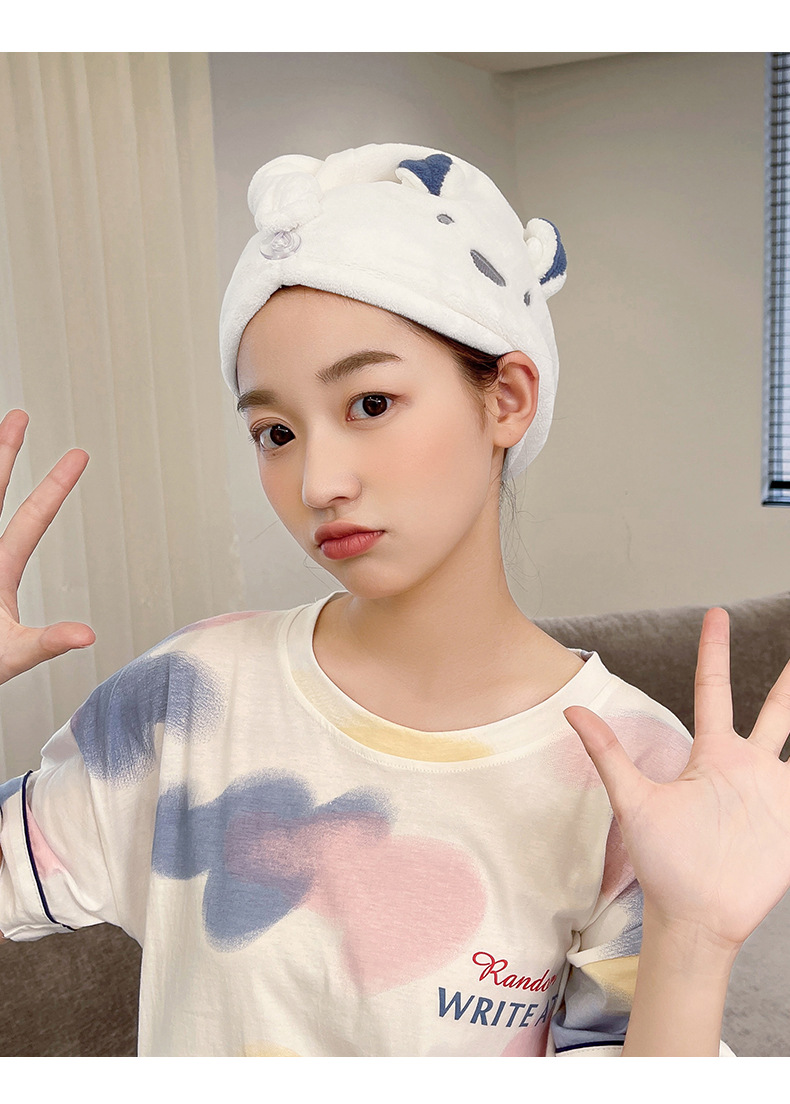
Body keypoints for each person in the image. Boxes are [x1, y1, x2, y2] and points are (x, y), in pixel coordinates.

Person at [0, 142, 789, 1058]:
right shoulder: (189, 695)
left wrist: (694, 940)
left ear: (507, 399)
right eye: (275, 432)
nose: (318, 482)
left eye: (370, 404)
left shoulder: (635, 770)